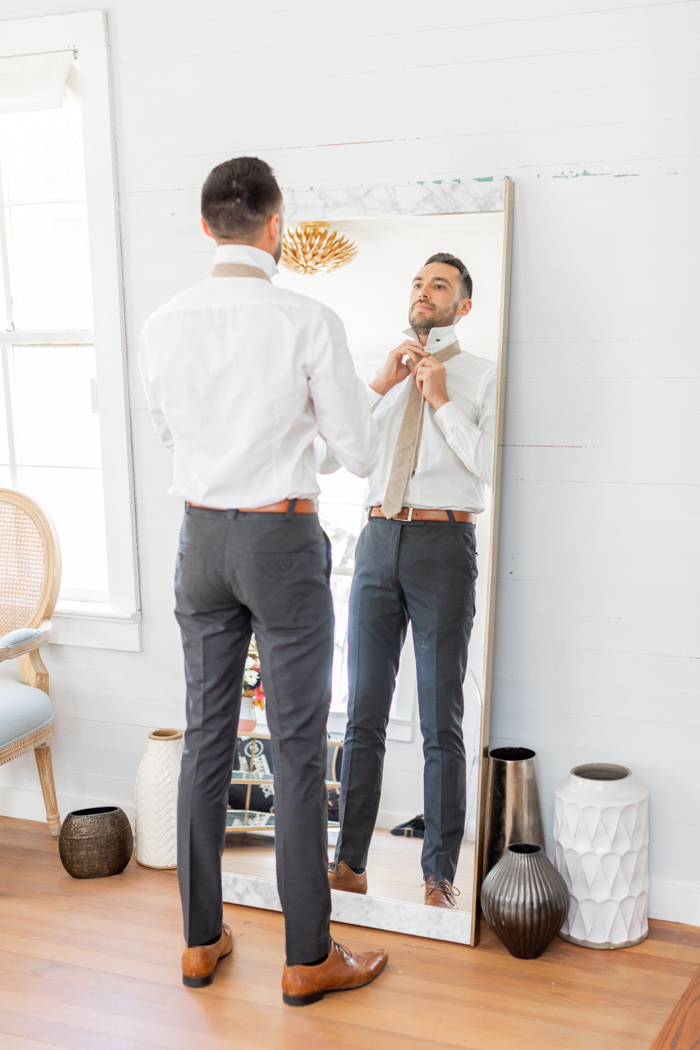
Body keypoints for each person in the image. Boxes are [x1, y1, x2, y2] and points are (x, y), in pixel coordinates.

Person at [139, 156, 388, 1004]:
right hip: (281, 541)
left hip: (200, 540)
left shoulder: (163, 322)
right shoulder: (308, 317)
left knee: (205, 738)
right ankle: (308, 955)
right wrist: (305, 438)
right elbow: (359, 452)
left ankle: (200, 942)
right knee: (294, 747)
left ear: (206, 227)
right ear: (276, 227)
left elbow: (172, 435)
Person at [324, 253, 496, 908]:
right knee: (362, 709)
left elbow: (487, 465)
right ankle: (351, 863)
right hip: (376, 541)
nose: (425, 292)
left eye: (440, 285)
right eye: (419, 282)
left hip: (442, 544)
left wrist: (443, 401)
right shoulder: (386, 374)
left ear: (464, 306)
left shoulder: (480, 377)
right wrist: (376, 388)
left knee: (438, 716)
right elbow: (333, 456)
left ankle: (438, 874)